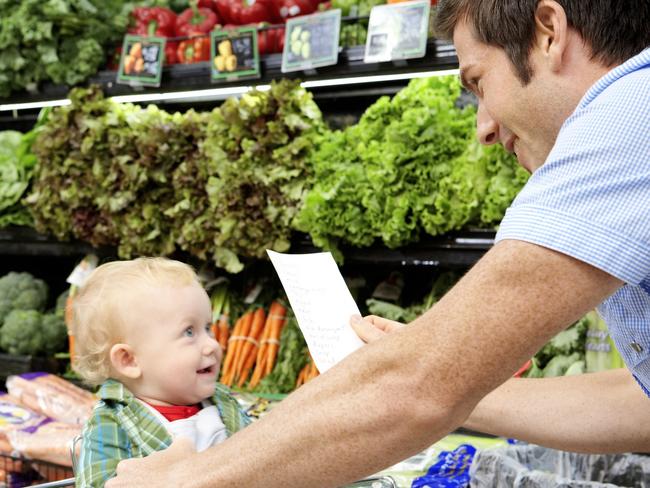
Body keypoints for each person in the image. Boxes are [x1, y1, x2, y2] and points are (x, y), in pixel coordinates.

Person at [106, 1, 650, 486]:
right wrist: (462, 382)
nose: (484, 127)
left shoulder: (631, 116)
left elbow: (415, 388)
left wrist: (193, 477)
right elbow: (640, 404)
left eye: (479, 82)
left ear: (549, 31)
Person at [72, 257, 250, 487]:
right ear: (129, 360)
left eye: (208, 328)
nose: (212, 345)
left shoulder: (224, 405)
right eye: (189, 332)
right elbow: (95, 481)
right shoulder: (112, 425)